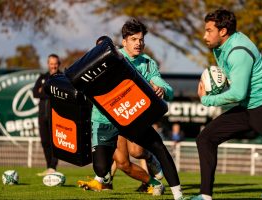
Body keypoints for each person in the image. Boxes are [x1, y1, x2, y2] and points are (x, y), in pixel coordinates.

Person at [191, 9, 262, 200]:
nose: (204, 36)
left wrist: (207, 99)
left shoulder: (238, 52)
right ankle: (205, 196)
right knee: (206, 138)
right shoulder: (220, 47)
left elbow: (238, 93)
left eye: (208, 30)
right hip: (250, 107)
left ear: (223, 31)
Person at [77, 19, 185, 200]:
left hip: (131, 116)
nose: (139, 43)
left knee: (156, 148)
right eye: (134, 39)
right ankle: (105, 176)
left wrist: (162, 89)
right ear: (124, 41)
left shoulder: (147, 63)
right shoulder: (109, 58)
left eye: (141, 39)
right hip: (104, 120)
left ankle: (178, 195)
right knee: (105, 168)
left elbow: (167, 89)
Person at [33, 54, 62, 176]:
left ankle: (53, 166)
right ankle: (48, 167)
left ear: (58, 64)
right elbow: (35, 93)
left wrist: (43, 91)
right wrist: (49, 92)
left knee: (55, 142)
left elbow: (60, 94)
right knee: (45, 141)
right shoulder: (43, 77)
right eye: (51, 63)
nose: (53, 66)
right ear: (48, 64)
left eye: (55, 63)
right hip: (42, 115)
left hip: (56, 115)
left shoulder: (62, 77)